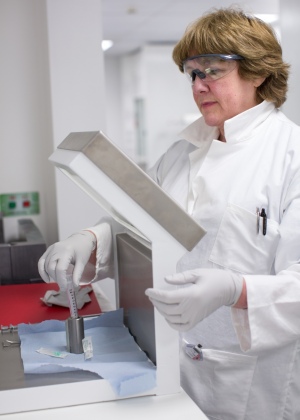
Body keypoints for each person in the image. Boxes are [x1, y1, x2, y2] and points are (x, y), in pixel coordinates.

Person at [38, 7, 300, 419]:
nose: (198, 86)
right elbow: (139, 222)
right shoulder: (183, 150)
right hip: (170, 361)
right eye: (192, 74)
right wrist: (89, 239)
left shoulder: (291, 156)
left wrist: (237, 289)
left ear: (258, 72)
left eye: (212, 71)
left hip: (251, 380)